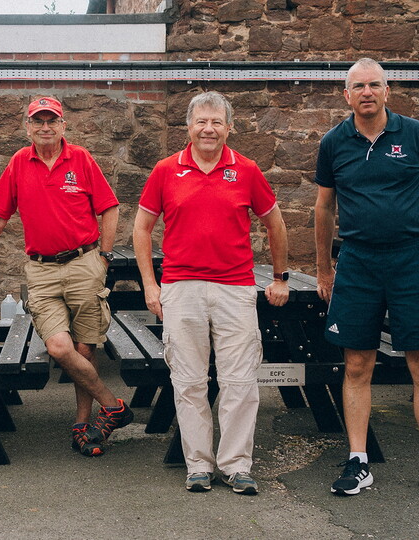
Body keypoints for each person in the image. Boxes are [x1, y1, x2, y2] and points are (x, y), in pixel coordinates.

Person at [314, 58, 419, 500]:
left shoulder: (413, 133)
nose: (367, 92)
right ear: (347, 95)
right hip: (357, 261)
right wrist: (323, 267)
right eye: (358, 86)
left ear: (387, 91)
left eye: (374, 85)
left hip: (411, 259)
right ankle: (357, 461)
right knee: (357, 364)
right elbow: (323, 207)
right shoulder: (333, 142)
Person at [0, 96, 133, 457]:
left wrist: (104, 257)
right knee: (59, 348)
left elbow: (109, 207)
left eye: (52, 121)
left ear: (63, 125)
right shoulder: (19, 162)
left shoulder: (81, 158)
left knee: (85, 348)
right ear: (28, 127)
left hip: (84, 263)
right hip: (42, 270)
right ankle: (113, 405)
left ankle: (83, 426)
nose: (45, 127)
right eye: (38, 121)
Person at [133, 91, 289, 495]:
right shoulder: (166, 170)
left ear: (229, 127)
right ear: (188, 127)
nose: (209, 129)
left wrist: (280, 277)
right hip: (181, 287)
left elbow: (275, 223)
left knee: (240, 381)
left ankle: (236, 465)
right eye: (201, 121)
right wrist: (150, 284)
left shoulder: (247, 170)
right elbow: (141, 228)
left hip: (235, 288)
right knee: (188, 381)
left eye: (217, 122)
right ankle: (198, 465)